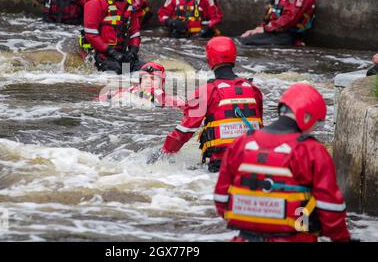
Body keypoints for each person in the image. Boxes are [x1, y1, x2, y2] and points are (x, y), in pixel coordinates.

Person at [214, 83, 351, 242]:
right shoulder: (312, 151)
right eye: (316, 123)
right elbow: (331, 208)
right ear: (306, 117)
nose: (313, 128)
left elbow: (221, 200)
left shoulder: (240, 144)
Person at [147, 37, 263, 172]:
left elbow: (185, 130)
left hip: (222, 163)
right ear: (234, 58)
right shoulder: (253, 89)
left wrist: (164, 152)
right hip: (254, 160)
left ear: (209, 60)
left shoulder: (207, 90)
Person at [82, 0, 144, 74]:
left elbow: (135, 32)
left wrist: (133, 50)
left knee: (145, 71)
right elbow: (91, 35)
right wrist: (111, 52)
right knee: (116, 72)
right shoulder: (97, 4)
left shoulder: (129, 5)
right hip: (102, 54)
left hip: (122, 55)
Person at [98, 62, 185, 109]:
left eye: (153, 78)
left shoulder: (170, 100)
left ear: (161, 82)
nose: (148, 81)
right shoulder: (126, 91)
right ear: (140, 80)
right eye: (145, 78)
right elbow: (100, 100)